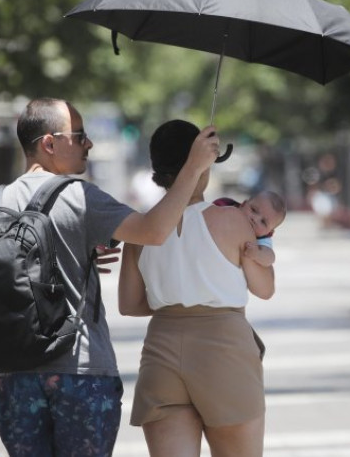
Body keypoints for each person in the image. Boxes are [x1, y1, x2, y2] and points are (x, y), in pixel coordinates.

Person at [0, 98, 221, 457]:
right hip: (80, 372)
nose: (89, 144)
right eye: (80, 136)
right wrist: (193, 167)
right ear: (50, 143)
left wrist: (77, 254)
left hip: (13, 378)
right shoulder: (79, 195)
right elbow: (154, 231)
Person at [118, 119, 275, 457]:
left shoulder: (139, 230)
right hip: (224, 349)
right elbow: (263, 289)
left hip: (161, 351)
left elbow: (129, 304)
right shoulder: (233, 220)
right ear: (202, 163)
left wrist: (175, 297)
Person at [213, 191, 287, 268]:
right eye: (254, 210)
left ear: (269, 232)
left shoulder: (262, 238)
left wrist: (257, 254)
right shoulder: (225, 206)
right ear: (243, 204)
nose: (254, 219)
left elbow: (270, 257)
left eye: (263, 222)